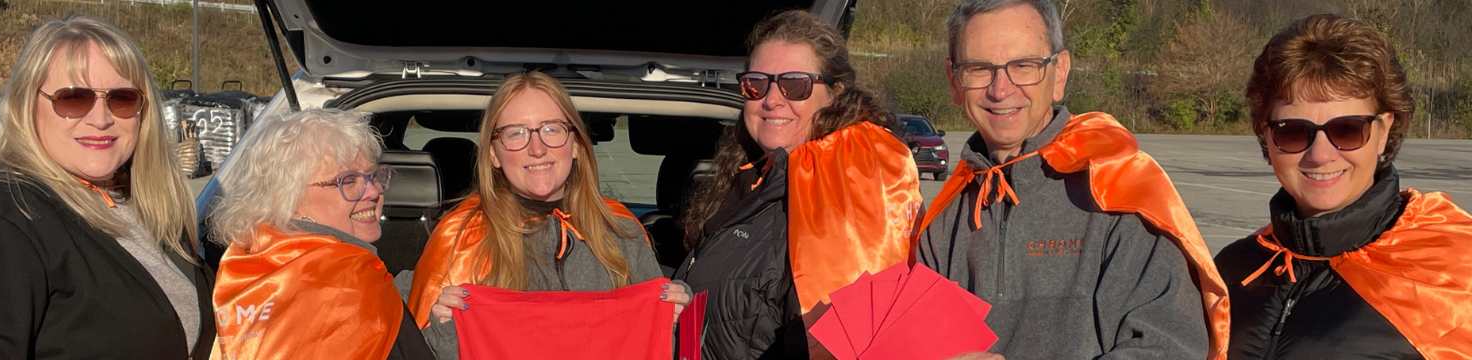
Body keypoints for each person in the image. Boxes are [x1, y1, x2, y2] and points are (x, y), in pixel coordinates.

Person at [913, 0, 1230, 359]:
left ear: (1059, 73)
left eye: (1023, 65)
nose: (1000, 89)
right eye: (978, 69)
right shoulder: (942, 221)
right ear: (954, 81)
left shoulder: (1119, 191)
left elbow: (1167, 348)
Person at [0, 15, 213, 359]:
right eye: (74, 98)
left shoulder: (150, 209)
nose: (101, 119)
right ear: (28, 105)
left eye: (122, 98)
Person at [1215, 14, 1472, 359]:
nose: (1320, 155)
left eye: (1347, 129)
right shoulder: (1232, 271)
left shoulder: (1454, 268)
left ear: (1383, 131)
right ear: (1267, 135)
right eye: (1293, 131)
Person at [674, 10, 922, 359]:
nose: (772, 99)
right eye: (756, 83)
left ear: (835, 92)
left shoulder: (844, 195)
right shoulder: (747, 183)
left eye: (794, 84)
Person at [406, 71, 688, 359]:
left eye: (551, 129)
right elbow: (418, 352)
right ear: (493, 154)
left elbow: (659, 348)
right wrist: (445, 331)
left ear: (576, 143)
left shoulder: (622, 232)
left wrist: (679, 321)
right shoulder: (461, 238)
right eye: (516, 132)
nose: (537, 148)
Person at [208, 109, 433, 359]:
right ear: (289, 198)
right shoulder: (353, 284)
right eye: (348, 181)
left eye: (373, 175)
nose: (372, 192)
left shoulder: (243, 266)